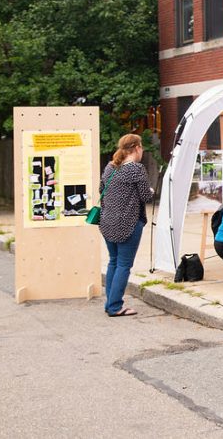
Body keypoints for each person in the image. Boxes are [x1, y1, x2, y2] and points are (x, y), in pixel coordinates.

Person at [99, 134, 153, 317]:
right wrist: (151, 190)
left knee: (113, 261)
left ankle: (110, 303)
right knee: (123, 264)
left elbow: (102, 190)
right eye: (142, 147)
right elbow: (146, 196)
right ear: (137, 147)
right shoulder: (136, 169)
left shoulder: (110, 167)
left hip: (107, 222)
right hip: (128, 224)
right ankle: (114, 307)